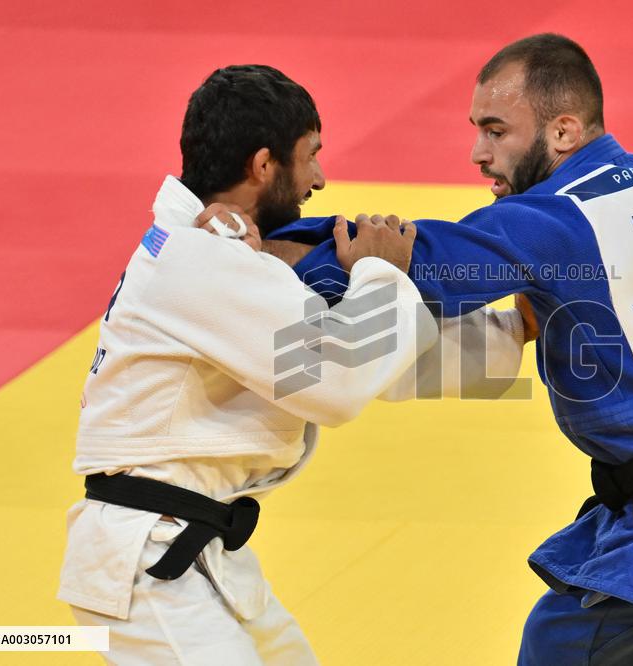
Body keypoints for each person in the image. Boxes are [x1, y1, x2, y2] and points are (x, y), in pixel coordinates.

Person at [271, 35, 633, 664]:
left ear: (563, 132)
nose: (478, 153)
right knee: (558, 649)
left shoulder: (554, 220)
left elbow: (417, 265)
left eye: (496, 132)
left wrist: (260, 246)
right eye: (477, 130)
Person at [58, 64, 530, 665]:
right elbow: (338, 384)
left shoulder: (219, 253)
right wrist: (380, 268)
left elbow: (358, 359)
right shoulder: (203, 262)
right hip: (148, 565)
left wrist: (514, 330)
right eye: (310, 156)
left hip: (195, 549)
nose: (320, 178)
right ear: (262, 165)